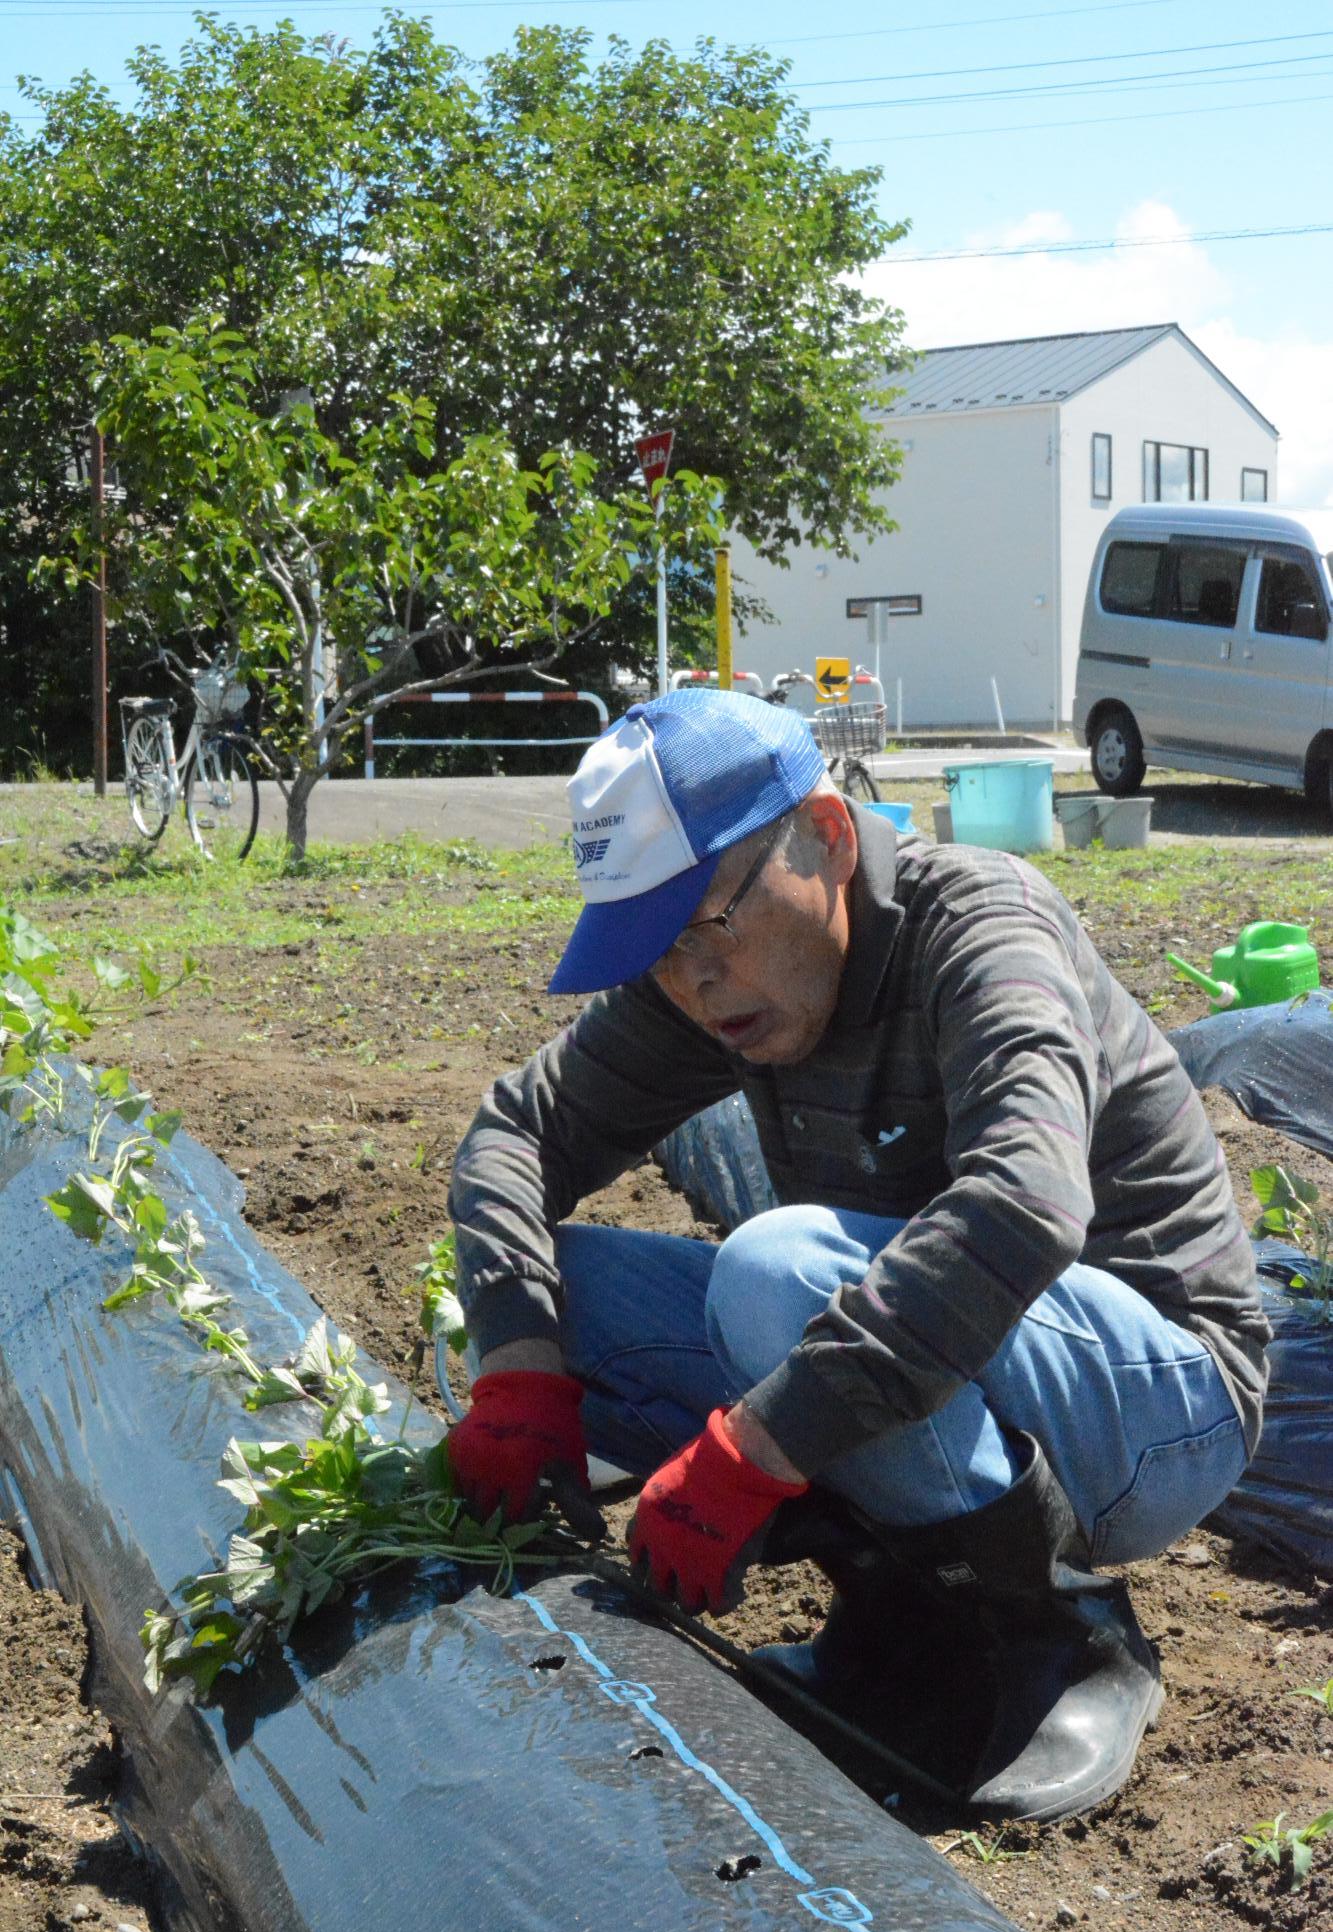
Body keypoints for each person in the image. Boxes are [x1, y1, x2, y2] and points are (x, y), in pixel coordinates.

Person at [444, 688, 1269, 1823]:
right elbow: (515, 1131)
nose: (692, 981)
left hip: (1154, 1402)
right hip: (955, 1359)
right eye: (657, 947)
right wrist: (520, 1370)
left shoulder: (982, 927)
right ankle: (890, 1616)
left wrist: (759, 1444)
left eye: (707, 924)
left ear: (827, 838)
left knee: (774, 1270)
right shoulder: (721, 984)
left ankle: (1055, 1633)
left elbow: (1022, 1204)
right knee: (563, 1289)